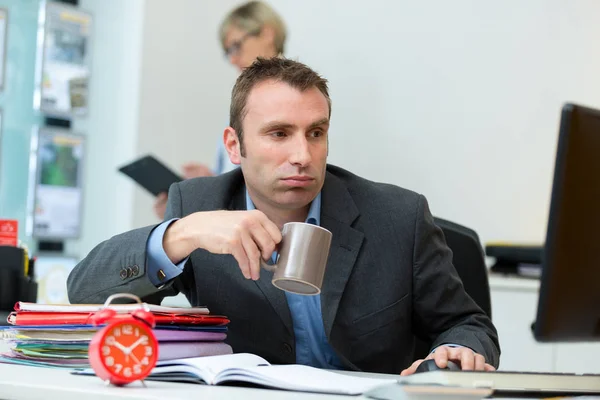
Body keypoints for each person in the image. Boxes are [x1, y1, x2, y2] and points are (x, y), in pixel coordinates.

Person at [68, 57, 500, 375]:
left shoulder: (398, 216)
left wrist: (458, 351)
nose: (303, 155)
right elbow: (83, 293)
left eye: (316, 133)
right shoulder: (199, 205)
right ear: (235, 146)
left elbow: (468, 323)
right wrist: (184, 232)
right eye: (279, 134)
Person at [154, 1, 287, 220]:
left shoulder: (295, 99)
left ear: (267, 34)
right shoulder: (244, 103)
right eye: (228, 52)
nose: (233, 58)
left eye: (236, 46)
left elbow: (276, 180)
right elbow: (245, 179)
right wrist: (211, 183)